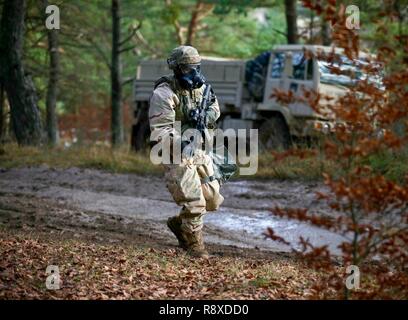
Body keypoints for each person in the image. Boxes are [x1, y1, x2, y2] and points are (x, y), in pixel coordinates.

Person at [148, 46, 224, 259]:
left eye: (196, 68)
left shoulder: (203, 89)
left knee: (212, 198)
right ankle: (195, 246)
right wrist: (183, 143)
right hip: (175, 153)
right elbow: (161, 131)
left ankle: (180, 225)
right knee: (194, 202)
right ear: (177, 69)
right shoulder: (164, 93)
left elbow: (215, 109)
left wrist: (205, 117)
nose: (194, 73)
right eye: (188, 69)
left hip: (199, 149)